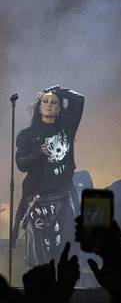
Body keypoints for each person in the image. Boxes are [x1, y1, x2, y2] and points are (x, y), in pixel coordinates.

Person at [12, 85, 84, 267]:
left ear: (59, 108)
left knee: (65, 250)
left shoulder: (67, 128)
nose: (49, 105)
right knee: (39, 255)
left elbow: (79, 100)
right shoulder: (27, 134)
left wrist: (58, 90)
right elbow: (21, 164)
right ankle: (38, 291)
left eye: (54, 102)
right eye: (45, 101)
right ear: (39, 106)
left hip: (62, 196)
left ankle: (62, 290)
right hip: (37, 199)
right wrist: (38, 153)